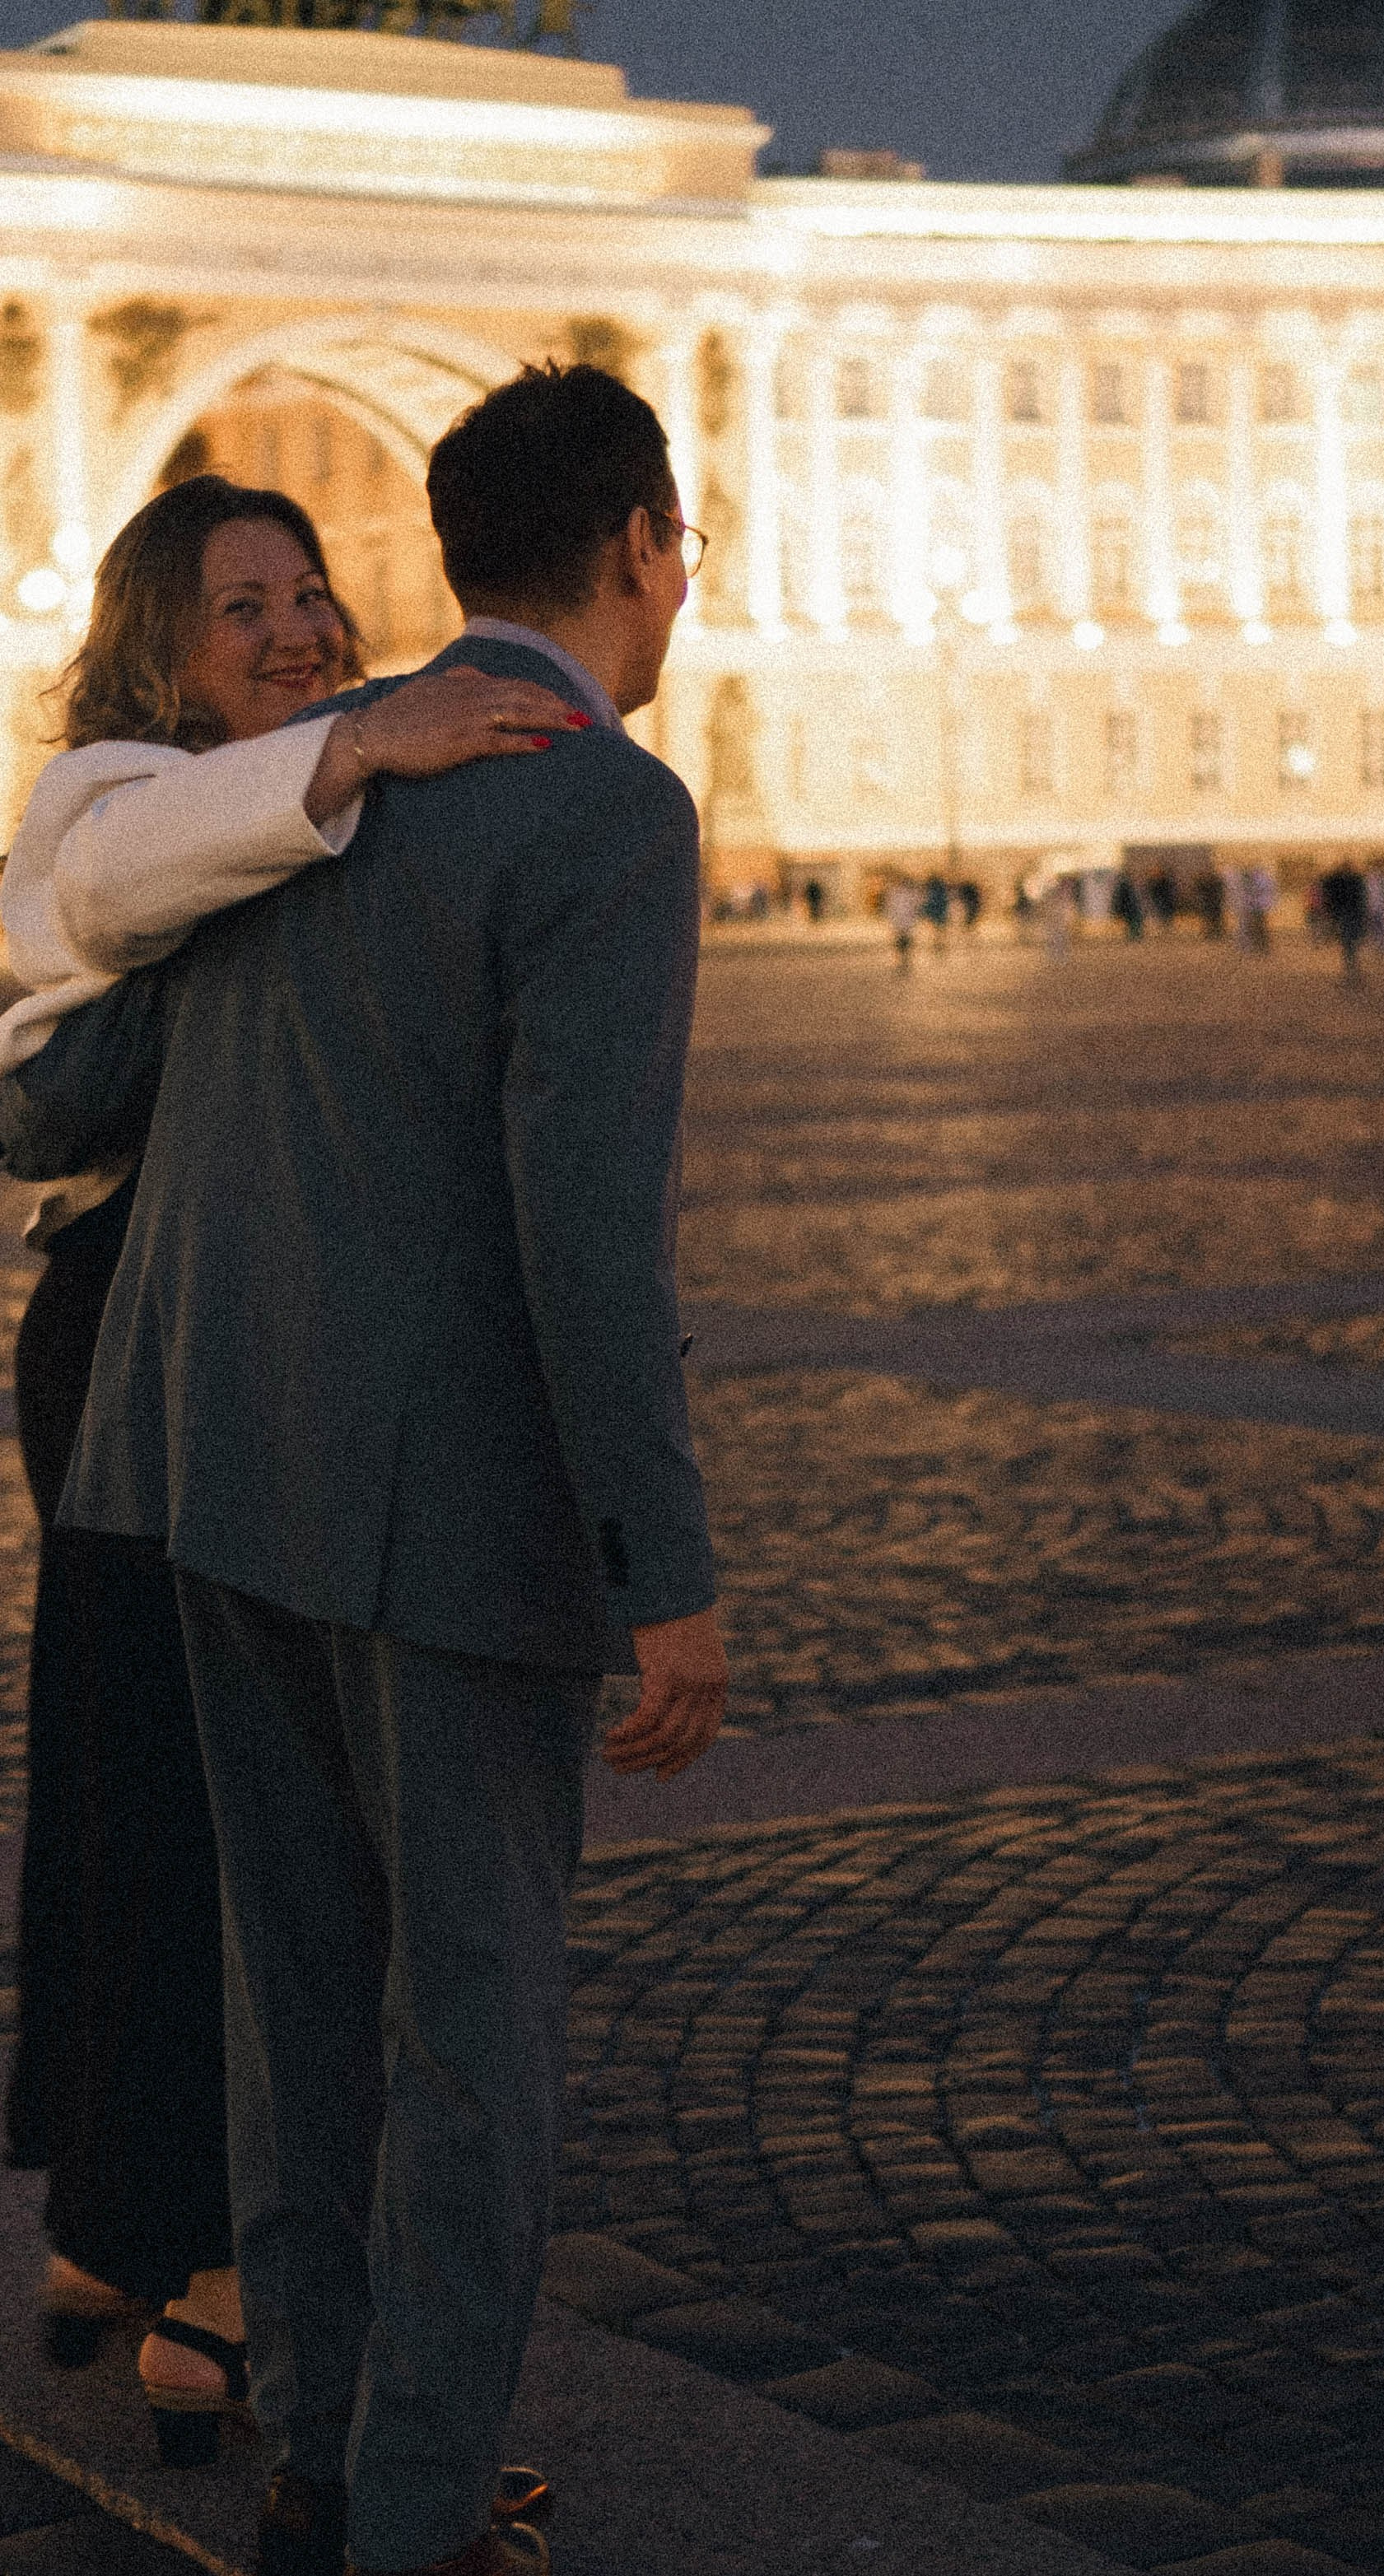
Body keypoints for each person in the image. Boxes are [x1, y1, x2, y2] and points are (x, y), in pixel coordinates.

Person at [9, 362, 726, 2576]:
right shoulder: (601, 807)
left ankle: (320, 2450)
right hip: (446, 1523)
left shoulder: (295, 785)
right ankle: (411, 2511)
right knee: (478, 2042)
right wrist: (663, 1561)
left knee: (293, 2003)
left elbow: (80, 1079)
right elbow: (581, 1230)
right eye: (677, 549)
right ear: (637, 551)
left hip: (212, 1481)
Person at [1321, 859, 1367, 980]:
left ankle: (1352, 969)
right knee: (1349, 944)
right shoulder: (1354, 881)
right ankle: (1352, 969)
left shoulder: (1347, 881)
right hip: (1350, 915)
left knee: (1349, 944)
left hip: (1349, 915)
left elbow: (1331, 894)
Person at [884, 874, 920, 969]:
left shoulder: (907, 894)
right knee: (901, 942)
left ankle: (904, 960)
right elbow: (891, 908)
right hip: (901, 921)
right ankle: (902, 960)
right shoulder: (895, 893)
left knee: (905, 942)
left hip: (904, 921)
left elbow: (914, 908)